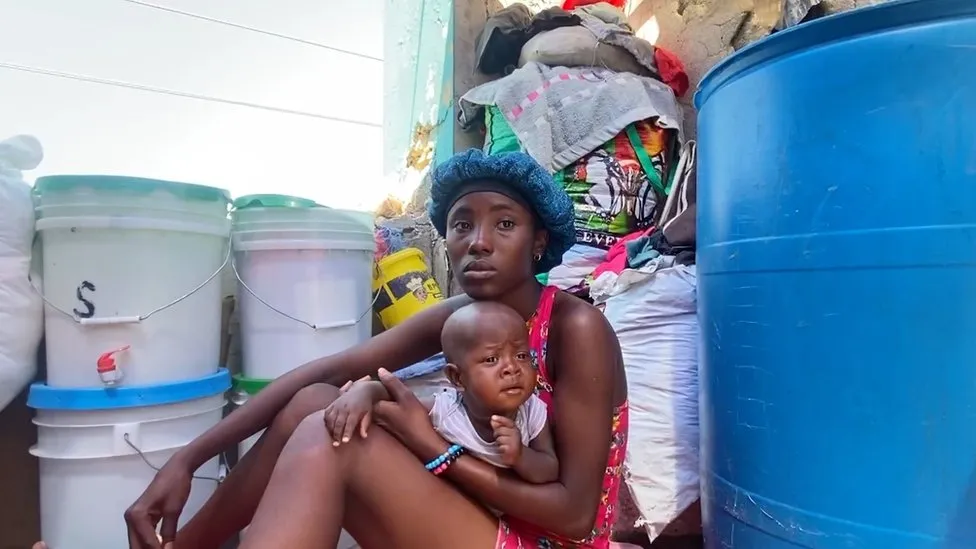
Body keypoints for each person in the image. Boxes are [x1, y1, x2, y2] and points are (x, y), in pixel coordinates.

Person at [121, 149, 629, 549]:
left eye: (504, 224)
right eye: (461, 224)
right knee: (317, 403)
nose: (478, 242)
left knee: (337, 439)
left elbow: (575, 516)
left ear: (538, 241)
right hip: (485, 512)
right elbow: (324, 372)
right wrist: (186, 461)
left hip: (550, 540)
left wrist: (433, 449)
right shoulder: (460, 317)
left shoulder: (575, 328)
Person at [325, 301, 558, 483]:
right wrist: (365, 392)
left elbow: (549, 469)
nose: (512, 369)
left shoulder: (532, 411)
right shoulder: (446, 410)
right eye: (491, 359)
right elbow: (396, 397)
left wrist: (521, 456)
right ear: (457, 377)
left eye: (521, 356)